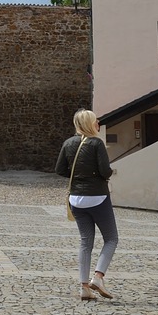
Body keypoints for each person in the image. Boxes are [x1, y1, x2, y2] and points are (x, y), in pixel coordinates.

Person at [55, 109, 118, 301]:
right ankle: (98, 277)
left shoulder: (68, 143)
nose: (98, 124)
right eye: (96, 121)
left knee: (85, 241)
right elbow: (105, 171)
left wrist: (79, 177)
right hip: (97, 196)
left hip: (76, 198)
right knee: (111, 238)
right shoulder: (96, 143)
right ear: (90, 124)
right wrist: (109, 172)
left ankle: (84, 287)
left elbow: (60, 169)